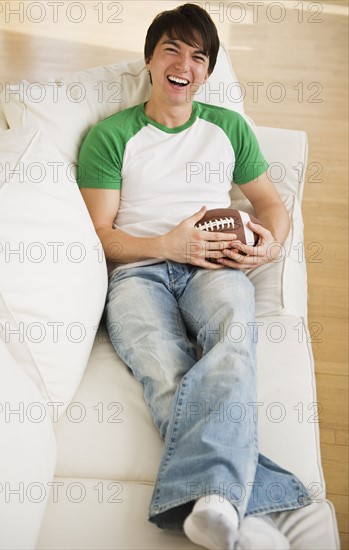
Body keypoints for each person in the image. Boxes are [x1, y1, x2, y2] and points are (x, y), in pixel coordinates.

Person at [77, 4, 311, 549]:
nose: (184, 64)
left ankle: (219, 504)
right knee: (165, 367)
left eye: (198, 56)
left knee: (232, 339)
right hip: (138, 271)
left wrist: (270, 244)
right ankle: (239, 509)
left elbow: (272, 205)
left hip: (216, 263)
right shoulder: (110, 136)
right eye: (172, 51)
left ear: (207, 72)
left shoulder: (229, 128)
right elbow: (99, 235)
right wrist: (166, 244)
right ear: (150, 61)